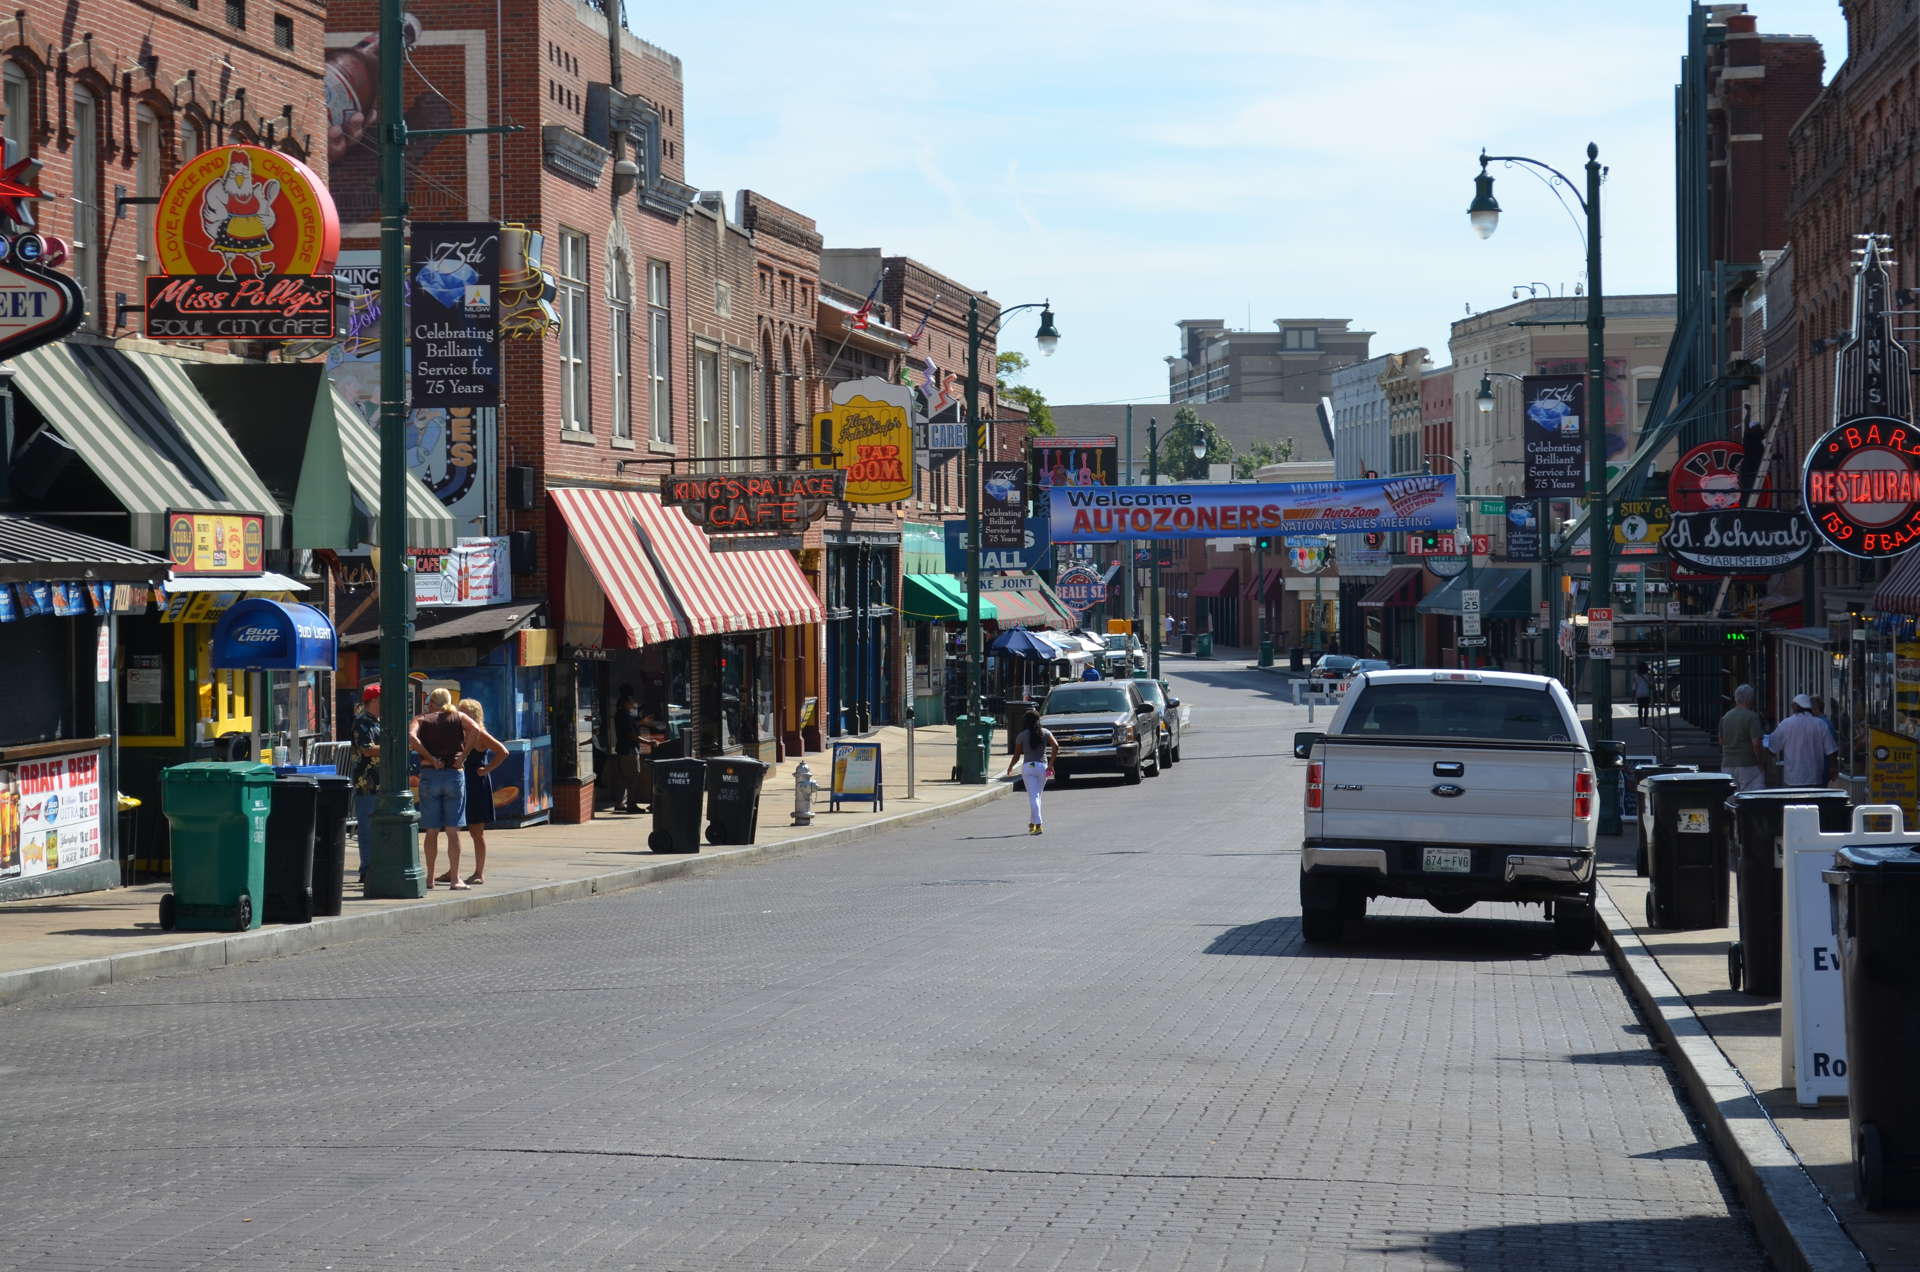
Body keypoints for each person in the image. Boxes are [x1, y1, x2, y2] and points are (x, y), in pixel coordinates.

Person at [408, 688, 485, 890]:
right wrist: (463, 755)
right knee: (453, 830)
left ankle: (430, 879)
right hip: (454, 775)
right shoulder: (458, 717)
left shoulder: (421, 719)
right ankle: (455, 879)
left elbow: (412, 738)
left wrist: (431, 758)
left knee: (431, 830)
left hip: (429, 776)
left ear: (432, 702)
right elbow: (476, 729)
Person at [433, 698, 509, 886]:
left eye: (464, 712)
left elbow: (502, 751)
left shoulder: (479, 734)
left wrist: (486, 769)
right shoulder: (458, 733)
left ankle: (479, 873)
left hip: (476, 784)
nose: (460, 715)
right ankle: (453, 871)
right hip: (458, 782)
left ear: (474, 715)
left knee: (476, 831)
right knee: (454, 828)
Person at [1003, 709, 1059, 836]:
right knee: (1037, 796)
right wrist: (1051, 764)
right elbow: (1056, 746)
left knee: (1034, 797)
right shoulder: (1045, 733)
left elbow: (1017, 755)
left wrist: (1011, 767)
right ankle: (1033, 823)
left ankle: (1038, 825)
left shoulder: (1022, 735)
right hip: (1042, 767)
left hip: (1028, 767)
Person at [1772, 693, 1839, 788]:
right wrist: (1834, 766)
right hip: (1814, 778)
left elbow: (1772, 746)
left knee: (1795, 802)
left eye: (1793, 705)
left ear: (1797, 706)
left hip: (1794, 778)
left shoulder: (1785, 724)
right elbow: (1831, 749)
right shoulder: (1821, 724)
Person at [350, 684, 381, 883]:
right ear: (374, 701)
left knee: (376, 827)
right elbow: (367, 750)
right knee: (367, 827)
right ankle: (366, 869)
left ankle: (376, 866)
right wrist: (394, 743)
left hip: (381, 784)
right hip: (366, 784)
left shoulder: (379, 722)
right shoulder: (361, 722)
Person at [1718, 683, 1768, 792]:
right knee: (1750, 798)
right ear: (1751, 699)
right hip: (1748, 764)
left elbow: (1722, 741)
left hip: (1728, 763)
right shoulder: (1752, 717)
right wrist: (1760, 763)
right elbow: (1756, 743)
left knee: (1731, 797)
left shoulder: (1726, 717)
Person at [612, 684, 648, 813]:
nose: (633, 702)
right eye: (631, 701)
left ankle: (620, 803)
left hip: (622, 749)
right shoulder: (625, 716)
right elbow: (632, 735)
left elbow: (630, 727)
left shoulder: (621, 715)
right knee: (633, 777)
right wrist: (649, 742)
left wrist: (642, 720)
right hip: (629, 750)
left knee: (623, 777)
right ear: (626, 703)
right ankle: (632, 805)